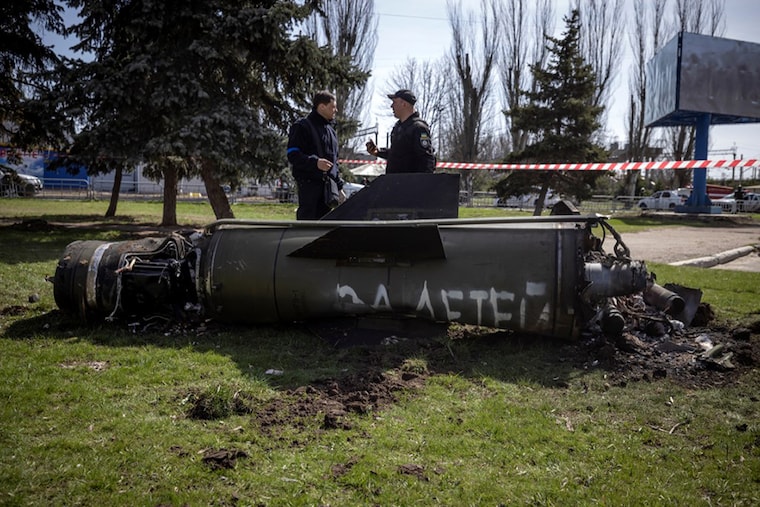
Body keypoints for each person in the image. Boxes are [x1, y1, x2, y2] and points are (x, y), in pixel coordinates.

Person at [287, 90, 345, 220]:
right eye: (333, 107)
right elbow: (293, 154)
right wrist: (315, 163)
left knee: (325, 225)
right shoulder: (301, 126)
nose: (335, 110)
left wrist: (339, 186)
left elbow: (334, 162)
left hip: (328, 189)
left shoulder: (331, 131)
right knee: (307, 224)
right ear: (321, 107)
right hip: (309, 184)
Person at [366, 89, 436, 173]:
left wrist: (422, 183)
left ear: (404, 104)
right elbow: (399, 155)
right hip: (395, 181)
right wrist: (378, 152)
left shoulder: (418, 128)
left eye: (394, 102)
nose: (391, 106)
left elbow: (426, 159)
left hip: (409, 183)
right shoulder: (398, 127)